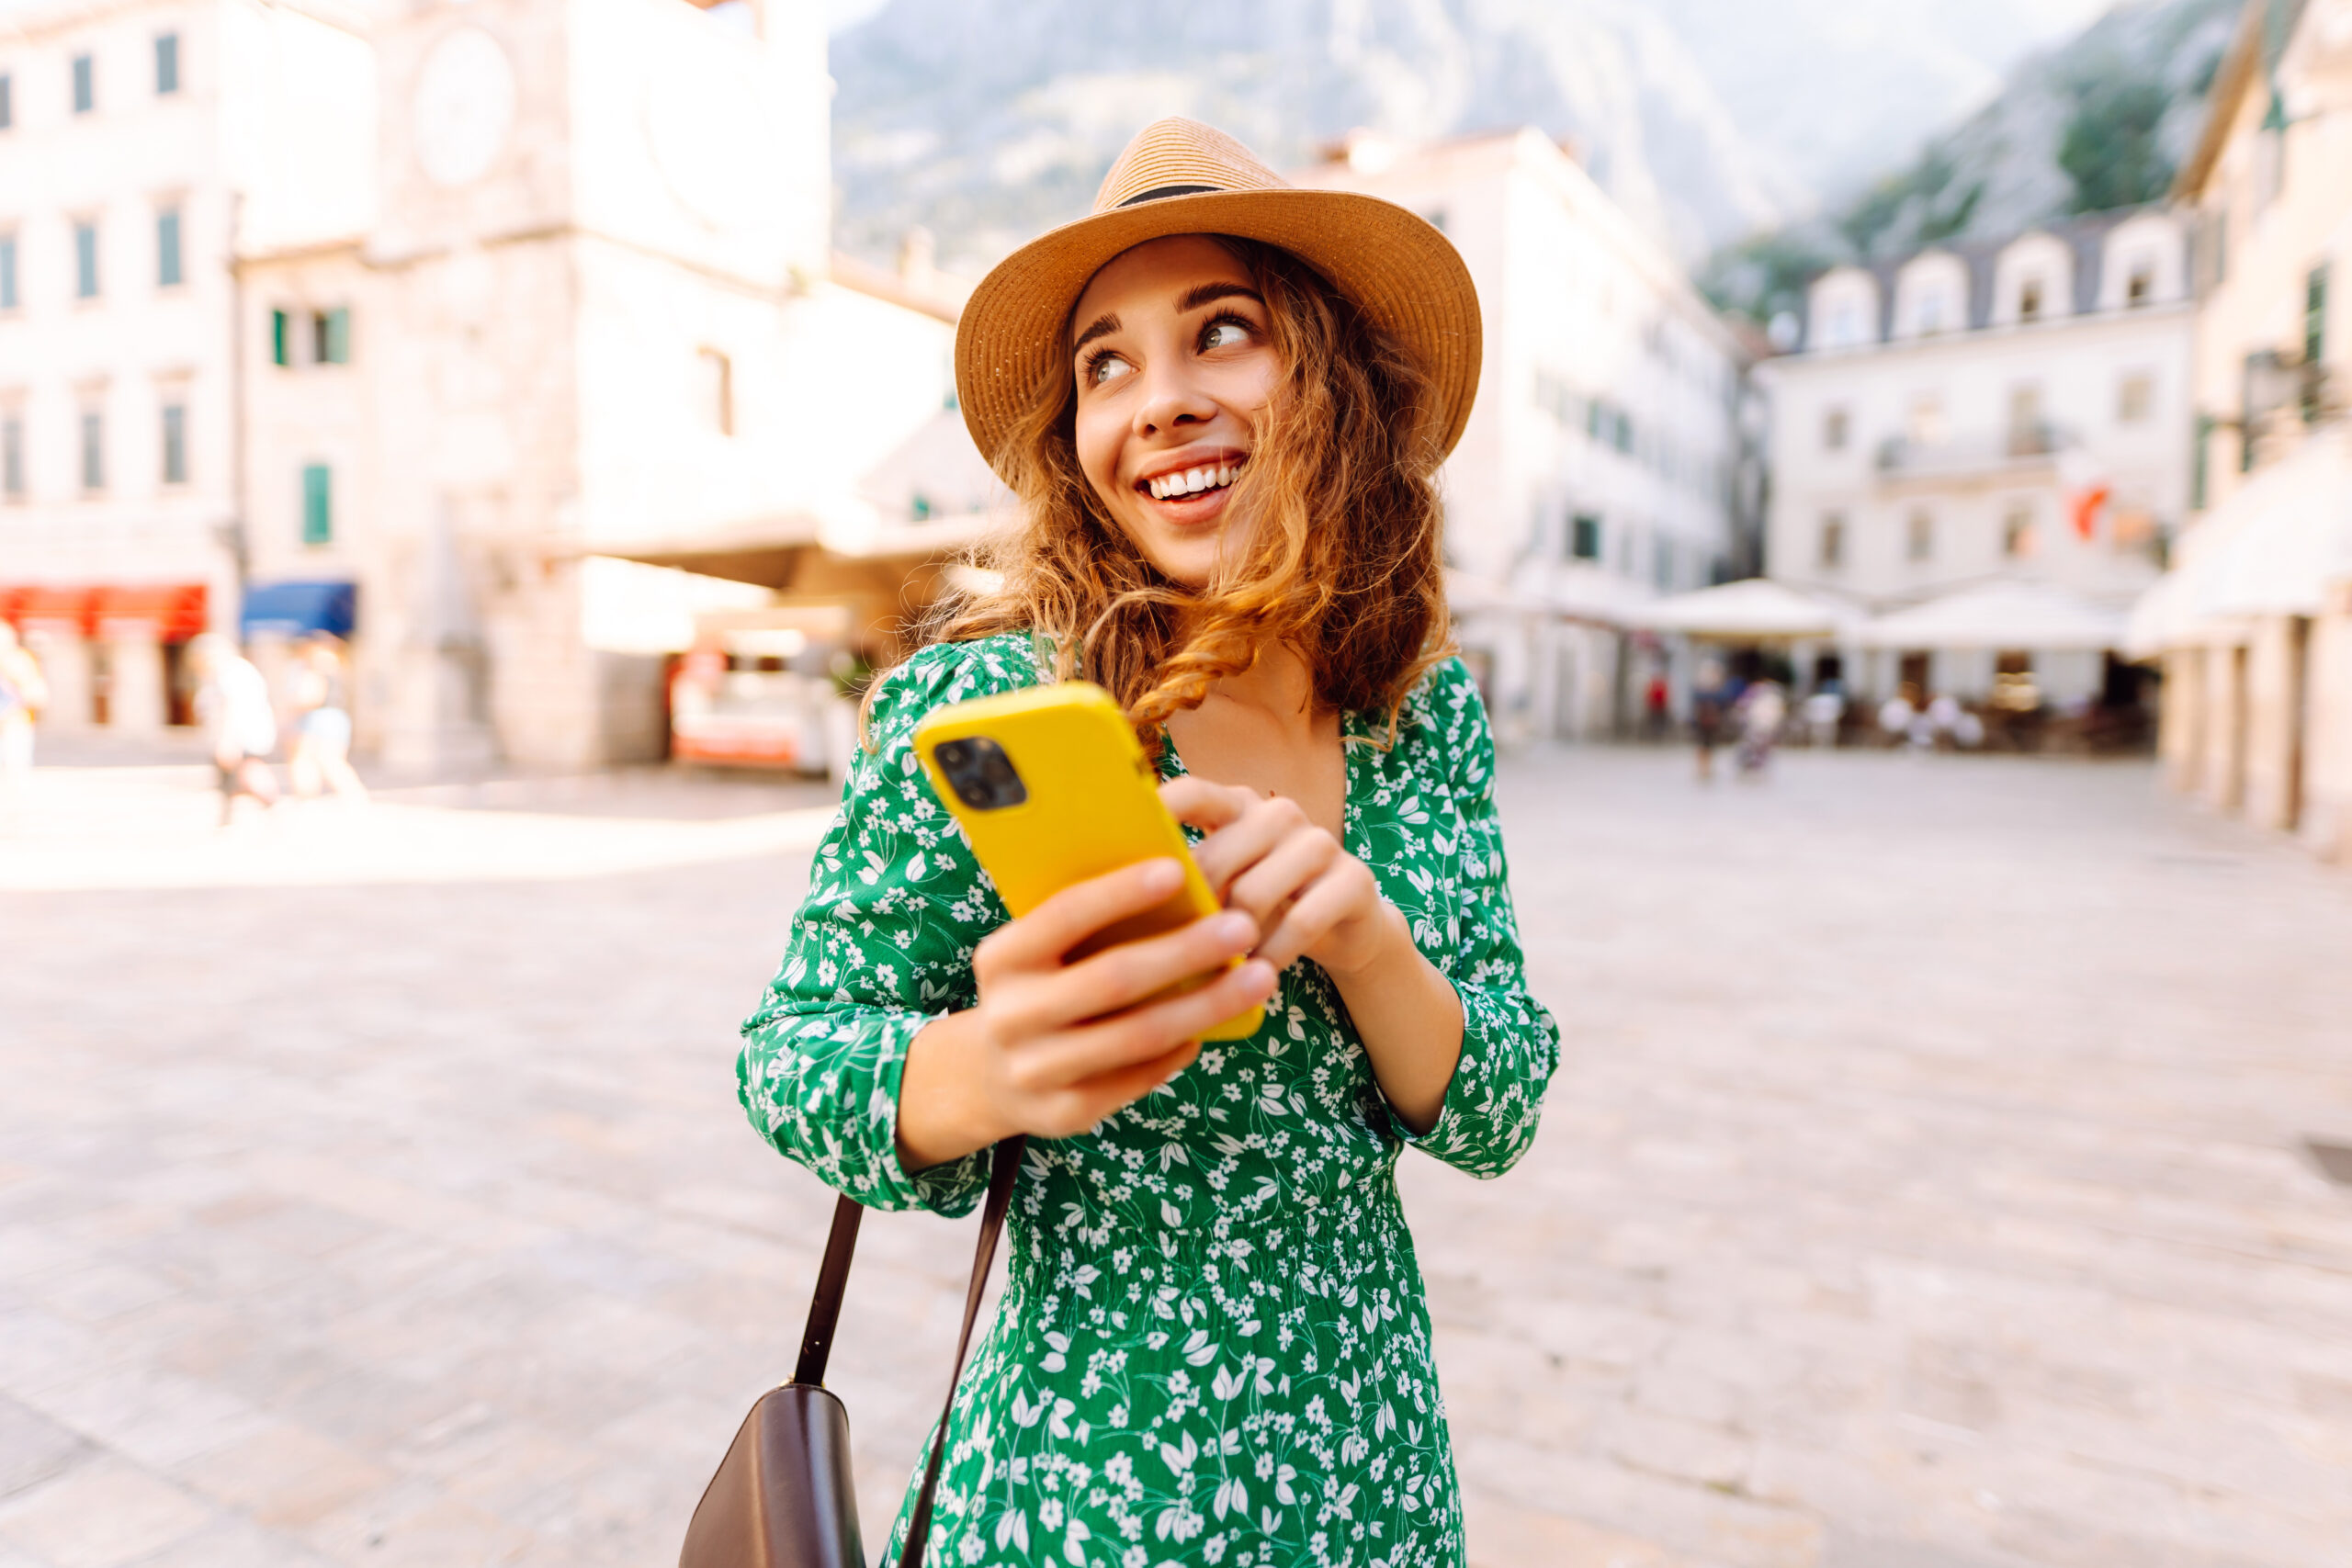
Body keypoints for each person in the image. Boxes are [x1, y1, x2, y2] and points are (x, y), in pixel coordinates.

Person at [738, 119, 1560, 1567]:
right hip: (1089, 1475)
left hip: (1369, 1461)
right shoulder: (993, 700)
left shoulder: (1418, 719)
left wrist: (1364, 937)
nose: (1158, 402)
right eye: (1105, 364)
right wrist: (991, 1065)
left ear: (1333, 382)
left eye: (1222, 334)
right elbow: (790, 1053)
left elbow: (1498, 1106)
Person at [187, 634, 279, 825]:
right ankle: (228, 817)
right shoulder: (222, 672)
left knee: (247, 770)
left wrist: (228, 739)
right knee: (232, 777)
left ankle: (269, 806)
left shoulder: (232, 672)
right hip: (237, 735)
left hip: (242, 735)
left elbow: (234, 707)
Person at [286, 635, 368, 805]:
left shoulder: (315, 669)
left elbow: (310, 697)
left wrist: (292, 709)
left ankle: (308, 798)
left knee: (310, 760)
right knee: (329, 761)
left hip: (316, 719)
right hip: (336, 718)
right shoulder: (337, 668)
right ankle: (353, 796)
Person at [0, 622, 48, 803]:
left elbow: (34, 690)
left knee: (15, 767)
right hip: (14, 720)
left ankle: (16, 803)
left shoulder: (18, 660)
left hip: (15, 721)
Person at [1734, 677, 1787, 775]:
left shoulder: (1771, 698)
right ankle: (1750, 765)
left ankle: (1757, 766)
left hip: (1763, 726)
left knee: (1762, 748)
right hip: (1755, 725)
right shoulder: (1753, 695)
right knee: (1753, 747)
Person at [1691, 656, 1728, 781]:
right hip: (1703, 720)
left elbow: (1722, 702)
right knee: (1702, 744)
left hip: (1713, 721)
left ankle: (1708, 767)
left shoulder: (1717, 688)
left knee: (1710, 744)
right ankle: (1702, 767)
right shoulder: (1701, 688)